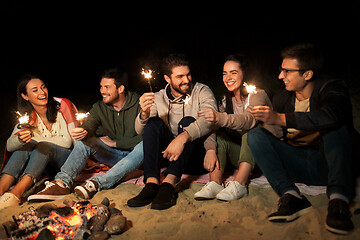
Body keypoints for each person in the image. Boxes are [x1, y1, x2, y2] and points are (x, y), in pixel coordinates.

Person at [247, 43, 356, 234]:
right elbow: (274, 136)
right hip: (296, 165)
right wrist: (259, 118)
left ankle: (338, 201)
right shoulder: (282, 99)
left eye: (287, 71)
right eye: (281, 70)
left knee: (334, 125)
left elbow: (332, 115)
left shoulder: (331, 88)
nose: (281, 76)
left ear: (308, 74)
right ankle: (290, 195)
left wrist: (279, 118)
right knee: (255, 135)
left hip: (328, 165)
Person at [28, 68, 143, 201]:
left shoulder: (139, 103)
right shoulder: (99, 107)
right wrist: (82, 131)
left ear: (120, 89)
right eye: (101, 87)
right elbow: (90, 123)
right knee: (85, 141)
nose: (102, 91)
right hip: (113, 156)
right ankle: (62, 183)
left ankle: (96, 183)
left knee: (146, 145)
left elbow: (149, 138)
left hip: (137, 157)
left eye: (106, 87)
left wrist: (116, 143)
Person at [127, 54, 217, 210]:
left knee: (189, 122)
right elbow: (140, 130)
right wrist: (143, 114)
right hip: (169, 156)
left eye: (188, 74)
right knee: (152, 123)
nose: (187, 80)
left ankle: (168, 184)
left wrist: (182, 138)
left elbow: (211, 119)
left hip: (195, 156)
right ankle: (152, 184)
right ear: (167, 78)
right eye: (180, 76)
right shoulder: (158, 97)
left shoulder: (202, 90)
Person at [194, 54, 282, 201]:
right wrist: (210, 149)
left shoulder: (257, 94)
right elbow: (212, 126)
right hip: (245, 157)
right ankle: (215, 182)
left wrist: (217, 117)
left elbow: (247, 121)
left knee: (251, 131)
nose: (228, 78)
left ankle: (240, 184)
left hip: (268, 154)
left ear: (244, 74)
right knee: (220, 137)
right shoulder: (225, 100)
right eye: (225, 73)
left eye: (233, 73)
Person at [0, 74, 78, 209]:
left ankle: (15, 194)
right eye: (35, 90)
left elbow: (67, 142)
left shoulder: (61, 107)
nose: (42, 93)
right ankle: (1, 189)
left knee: (41, 145)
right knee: (23, 146)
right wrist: (19, 139)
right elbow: (11, 145)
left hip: (67, 159)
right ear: (25, 96)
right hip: (44, 164)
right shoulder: (28, 118)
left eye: (43, 88)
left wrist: (34, 138)